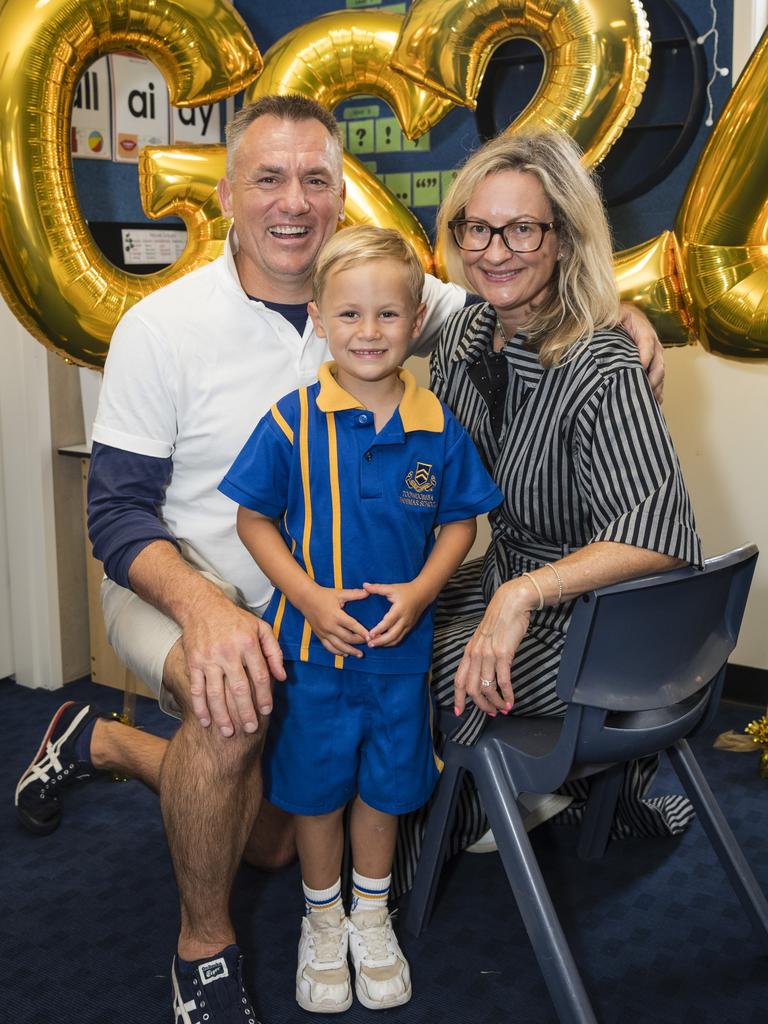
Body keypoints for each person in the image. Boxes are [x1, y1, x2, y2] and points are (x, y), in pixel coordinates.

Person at [13, 95, 664, 1022]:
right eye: (268, 178)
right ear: (228, 193)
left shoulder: (385, 287)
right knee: (234, 708)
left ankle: (100, 742)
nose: (293, 201)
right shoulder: (160, 328)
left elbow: (518, 288)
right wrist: (209, 612)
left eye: (316, 178)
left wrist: (622, 314)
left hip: (344, 619)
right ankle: (204, 946)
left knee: (281, 834)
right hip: (185, 585)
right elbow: (115, 517)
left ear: (340, 190)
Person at [391, 128, 703, 889]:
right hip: (512, 575)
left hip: (612, 617)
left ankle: (404, 869)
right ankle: (465, 812)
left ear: (561, 237)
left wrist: (520, 594)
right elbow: (444, 481)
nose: (495, 250)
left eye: (522, 228)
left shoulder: (601, 357)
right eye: (477, 227)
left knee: (426, 669)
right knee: (376, 635)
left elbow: (662, 534)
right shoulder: (466, 334)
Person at [220, 224, 501, 1013]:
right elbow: (253, 521)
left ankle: (370, 916)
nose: (369, 332)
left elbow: (459, 524)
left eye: (387, 315)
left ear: (416, 321)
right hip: (311, 652)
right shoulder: (289, 421)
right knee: (316, 791)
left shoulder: (437, 424)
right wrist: (306, 598)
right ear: (317, 318)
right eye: (349, 315)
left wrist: (420, 593)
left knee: (383, 787)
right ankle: (322, 920)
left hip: (399, 653)